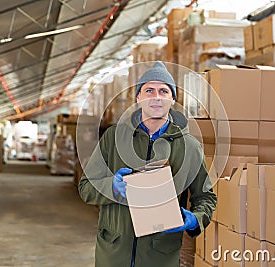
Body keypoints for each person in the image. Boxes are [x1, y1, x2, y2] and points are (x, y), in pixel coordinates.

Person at [78, 61, 217, 267]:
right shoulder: (114, 137)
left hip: (159, 256)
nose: (156, 97)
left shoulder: (190, 147)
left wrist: (195, 219)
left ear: (172, 99)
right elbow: (85, 187)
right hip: (113, 253)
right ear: (138, 98)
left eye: (163, 91)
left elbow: (205, 197)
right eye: (149, 90)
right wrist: (111, 187)